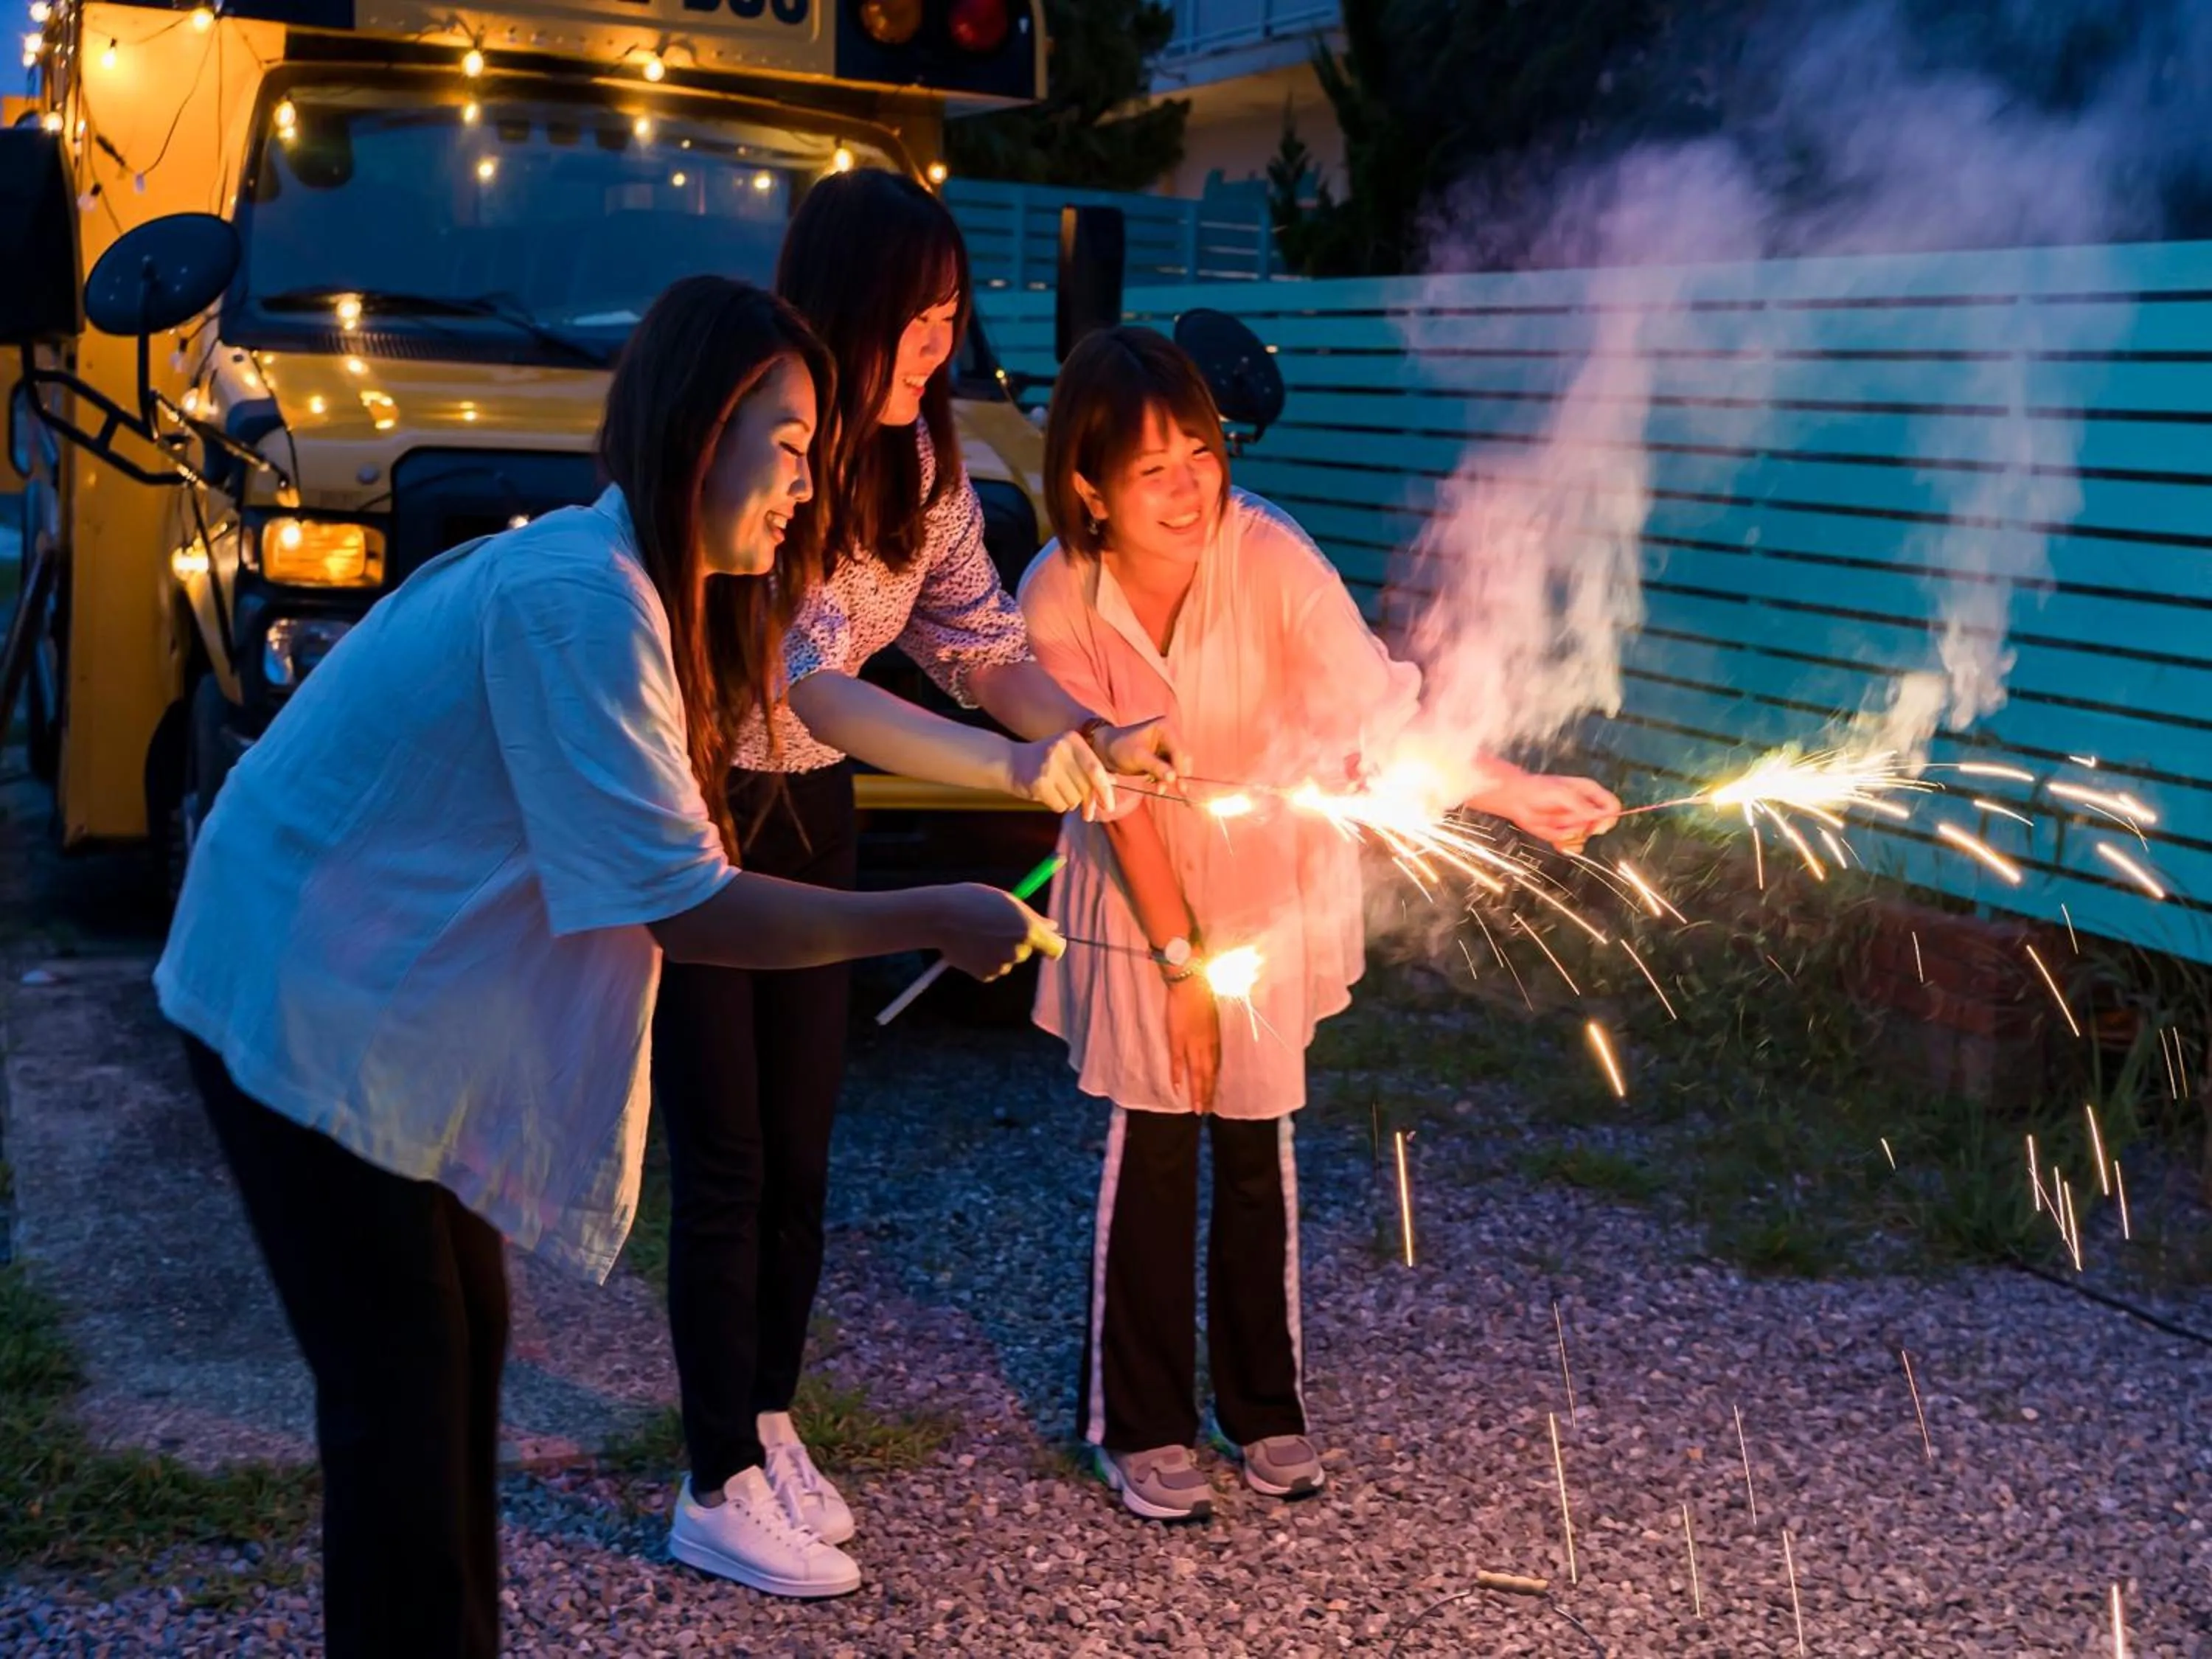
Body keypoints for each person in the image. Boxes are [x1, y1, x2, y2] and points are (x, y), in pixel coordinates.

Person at [155, 276, 1060, 1655]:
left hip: (360, 1001)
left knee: (453, 1351)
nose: (808, 484)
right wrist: (934, 909)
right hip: (292, 996)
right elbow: (683, 904)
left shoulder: (644, 594)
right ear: (702, 430)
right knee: (403, 1382)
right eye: (794, 441)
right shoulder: (582, 601)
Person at [649, 167, 1185, 1595]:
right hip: (705, 808)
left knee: (807, 1152)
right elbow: (808, 684)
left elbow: (978, 643)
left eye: (955, 313)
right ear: (845, 308)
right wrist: (1006, 778)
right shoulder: (774, 444)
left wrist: (1086, 738)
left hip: (812, 813)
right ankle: (711, 1480)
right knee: (726, 1151)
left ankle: (767, 1418)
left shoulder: (931, 467)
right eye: (919, 314)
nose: (943, 341)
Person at [1018, 327, 1621, 1521]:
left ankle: (1264, 1406)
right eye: (1153, 469)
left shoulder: (1273, 556)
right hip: (1142, 890)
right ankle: (1135, 1422)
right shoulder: (1057, 597)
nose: (1191, 485)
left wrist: (1510, 791)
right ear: (1088, 485)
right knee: (1155, 1140)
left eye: (1201, 450)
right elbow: (1123, 804)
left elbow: (1375, 718)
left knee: (1254, 1143)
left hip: (1270, 878)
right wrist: (1182, 963)